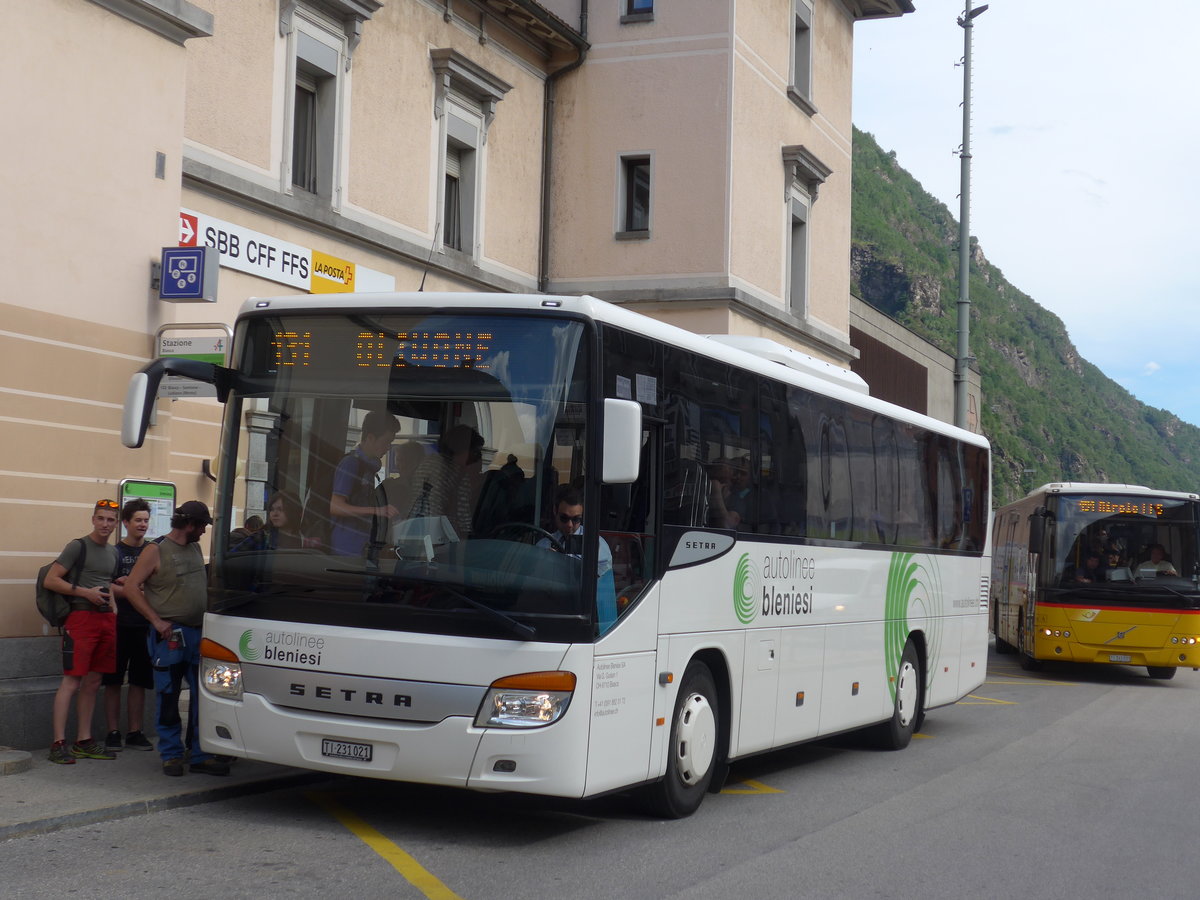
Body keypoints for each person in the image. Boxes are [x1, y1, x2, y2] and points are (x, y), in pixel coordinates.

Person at [124, 500, 229, 777]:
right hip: (169, 636)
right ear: (190, 524)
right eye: (203, 526)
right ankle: (171, 755)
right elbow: (132, 587)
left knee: (203, 697)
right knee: (169, 697)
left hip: (198, 634)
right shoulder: (155, 550)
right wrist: (156, 621)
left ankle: (198, 754)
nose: (204, 532)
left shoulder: (194, 548)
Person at [43, 499, 120, 764]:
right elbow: (51, 580)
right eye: (101, 518)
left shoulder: (113, 553)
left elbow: (108, 584)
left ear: (116, 523)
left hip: (105, 621)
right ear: (93, 519)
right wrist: (86, 593)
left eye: (110, 520)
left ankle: (84, 741)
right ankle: (58, 743)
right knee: (72, 681)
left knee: (94, 681)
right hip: (80, 619)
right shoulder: (78, 546)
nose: (105, 524)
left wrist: (114, 609)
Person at [101, 498, 156, 752]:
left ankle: (135, 731)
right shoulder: (115, 552)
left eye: (146, 520)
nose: (143, 524)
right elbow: (104, 585)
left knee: (139, 681)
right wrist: (129, 590)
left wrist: (134, 586)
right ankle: (113, 731)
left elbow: (157, 586)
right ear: (126, 523)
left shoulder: (152, 551)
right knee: (112, 680)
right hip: (118, 624)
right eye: (138, 520)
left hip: (144, 625)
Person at [537, 485, 617, 630]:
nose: (569, 525)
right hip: (549, 615)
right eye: (564, 518)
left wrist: (561, 563)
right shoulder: (543, 545)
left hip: (584, 617)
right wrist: (544, 564)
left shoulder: (596, 544)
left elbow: (597, 583)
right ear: (555, 511)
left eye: (576, 519)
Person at [329, 411, 401, 556]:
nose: (388, 448)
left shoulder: (369, 467)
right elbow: (336, 507)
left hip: (362, 544)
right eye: (386, 442)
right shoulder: (350, 464)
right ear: (370, 437)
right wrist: (376, 511)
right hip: (346, 547)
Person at [408, 424, 483, 540]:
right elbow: (464, 523)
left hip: (415, 532)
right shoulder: (459, 475)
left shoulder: (426, 464)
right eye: (474, 453)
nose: (476, 459)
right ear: (464, 450)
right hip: (439, 539)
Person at [234, 491, 303, 551]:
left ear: (293, 511)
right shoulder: (260, 537)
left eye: (280, 509)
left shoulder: (304, 539)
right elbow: (233, 558)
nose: (275, 514)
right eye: (272, 509)